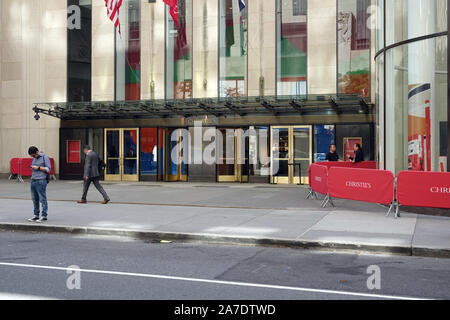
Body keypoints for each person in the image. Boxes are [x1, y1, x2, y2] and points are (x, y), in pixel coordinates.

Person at [27, 146, 51, 223]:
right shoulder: (34, 158)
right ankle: (36, 215)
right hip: (33, 180)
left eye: (33, 155)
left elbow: (48, 169)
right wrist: (32, 167)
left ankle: (44, 215)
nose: (33, 157)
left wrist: (38, 168)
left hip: (41, 181)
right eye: (32, 156)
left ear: (37, 152)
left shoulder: (45, 157)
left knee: (42, 199)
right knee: (34, 199)